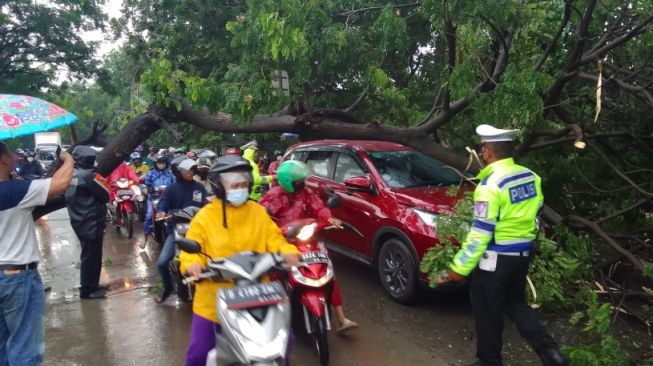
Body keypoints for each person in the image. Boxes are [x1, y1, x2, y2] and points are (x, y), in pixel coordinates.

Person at [438, 124, 567, 366]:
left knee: (487, 311)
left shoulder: (489, 187)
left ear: (486, 151)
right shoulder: (530, 177)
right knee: (517, 305)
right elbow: (536, 215)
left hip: (494, 260)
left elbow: (480, 234)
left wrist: (460, 268)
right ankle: (552, 354)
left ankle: (489, 361)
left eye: (482, 148)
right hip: (522, 255)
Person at [180, 155, 300, 366]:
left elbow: (274, 238)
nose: (240, 188)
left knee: (285, 341)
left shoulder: (257, 212)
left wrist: (288, 252)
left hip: (257, 294)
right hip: (213, 299)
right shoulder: (205, 217)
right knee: (198, 354)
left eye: (244, 183)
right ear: (218, 186)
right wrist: (192, 264)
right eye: (234, 184)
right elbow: (192, 248)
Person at [260, 160, 359, 334]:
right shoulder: (274, 196)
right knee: (273, 274)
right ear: (288, 182)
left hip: (307, 238)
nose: (303, 183)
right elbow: (260, 218)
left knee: (327, 271)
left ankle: (341, 318)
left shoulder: (307, 192)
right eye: (299, 180)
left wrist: (329, 219)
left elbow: (319, 207)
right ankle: (271, 316)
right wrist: (270, 231)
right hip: (283, 241)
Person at [0, 141, 73, 365]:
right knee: (26, 350)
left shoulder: (15, 188)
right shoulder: (15, 191)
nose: (15, 156)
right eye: (10, 152)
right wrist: (68, 159)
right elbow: (60, 183)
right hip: (17, 278)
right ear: (3, 158)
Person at [154, 159, 208, 303]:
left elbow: (207, 203)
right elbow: (163, 202)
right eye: (186, 170)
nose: (190, 173)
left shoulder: (200, 188)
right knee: (162, 263)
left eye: (192, 170)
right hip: (176, 230)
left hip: (198, 230)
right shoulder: (171, 188)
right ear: (179, 172)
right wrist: (161, 211)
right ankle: (167, 288)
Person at [65, 146, 111, 300]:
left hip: (79, 220)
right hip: (91, 220)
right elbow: (106, 195)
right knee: (91, 256)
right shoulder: (90, 176)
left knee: (89, 255)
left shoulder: (72, 175)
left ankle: (92, 284)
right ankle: (88, 290)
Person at [142, 155, 176, 246]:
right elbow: (144, 184)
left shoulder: (170, 174)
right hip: (154, 198)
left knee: (175, 214)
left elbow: (176, 183)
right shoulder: (151, 174)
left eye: (163, 163)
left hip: (168, 198)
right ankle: (145, 239)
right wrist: (145, 189)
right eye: (159, 163)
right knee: (149, 216)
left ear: (166, 164)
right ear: (156, 164)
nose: (161, 165)